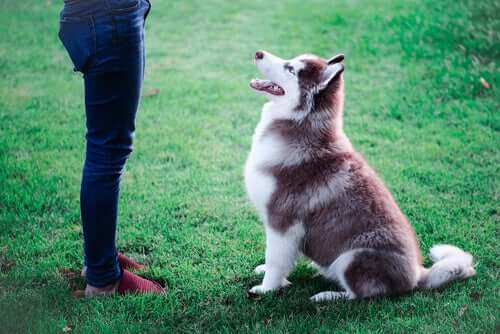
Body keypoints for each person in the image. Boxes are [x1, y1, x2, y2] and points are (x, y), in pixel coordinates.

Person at [58, 0, 164, 296]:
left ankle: (99, 258)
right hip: (109, 19)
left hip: (101, 16)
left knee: (105, 147)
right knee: (108, 150)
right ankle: (103, 278)